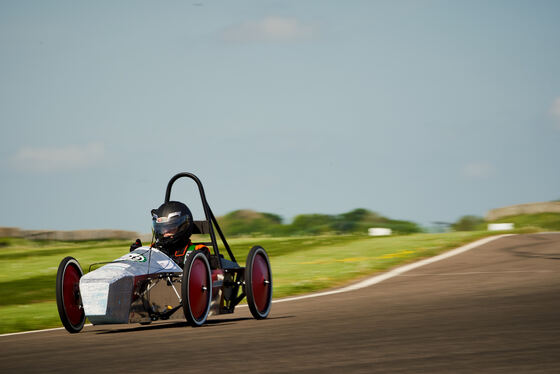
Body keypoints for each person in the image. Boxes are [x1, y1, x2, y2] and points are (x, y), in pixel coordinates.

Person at [146, 201, 210, 267]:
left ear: (182, 227)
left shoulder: (198, 251)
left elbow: (198, 274)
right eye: (162, 227)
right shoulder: (150, 250)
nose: (165, 231)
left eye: (170, 226)